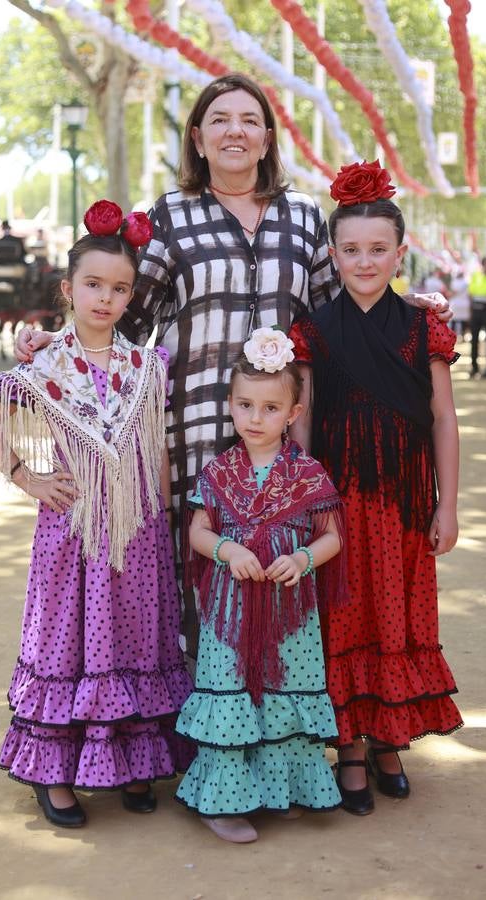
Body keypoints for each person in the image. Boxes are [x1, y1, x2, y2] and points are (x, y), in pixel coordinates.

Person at [14, 74, 450, 655]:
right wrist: (58, 338)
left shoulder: (301, 216)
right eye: (219, 120)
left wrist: (406, 302)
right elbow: (128, 315)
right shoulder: (170, 216)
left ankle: (277, 705)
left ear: (267, 139)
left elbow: (334, 309)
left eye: (249, 120)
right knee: (198, 547)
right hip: (191, 420)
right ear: (198, 138)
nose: (234, 131)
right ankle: (204, 708)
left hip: (285, 426)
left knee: (283, 550)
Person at [0, 201, 193, 828]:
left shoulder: (148, 367)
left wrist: (167, 519)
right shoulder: (45, 365)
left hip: (139, 530)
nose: (105, 298)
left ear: (130, 298)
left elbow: (156, 454)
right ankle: (54, 771)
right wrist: (27, 476)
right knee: (71, 642)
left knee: (133, 637)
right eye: (93, 284)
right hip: (72, 533)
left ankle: (134, 758)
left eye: (119, 289)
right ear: (69, 289)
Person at [289, 161, 463, 816]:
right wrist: (304, 500)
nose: (365, 261)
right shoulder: (313, 327)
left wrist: (451, 503)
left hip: (404, 501)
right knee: (343, 615)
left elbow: (444, 418)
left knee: (399, 613)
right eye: (352, 250)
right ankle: (351, 750)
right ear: (334, 254)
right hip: (337, 501)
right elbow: (301, 417)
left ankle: (390, 739)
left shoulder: (424, 326)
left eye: (378, 249)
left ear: (400, 251)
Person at [175, 328, 346, 842]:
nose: (255, 418)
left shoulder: (308, 474)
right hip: (230, 613)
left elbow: (333, 537)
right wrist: (228, 550)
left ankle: (277, 788)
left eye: (270, 408)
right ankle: (222, 800)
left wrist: (302, 558)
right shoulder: (218, 472)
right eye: (245, 405)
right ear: (229, 404)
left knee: (282, 693)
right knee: (231, 691)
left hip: (290, 610)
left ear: (293, 413)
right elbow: (197, 531)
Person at [468, 256, 486, 377]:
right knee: (474, 340)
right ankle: (474, 368)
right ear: (483, 265)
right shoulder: (475, 276)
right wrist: (470, 312)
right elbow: (470, 295)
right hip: (476, 311)